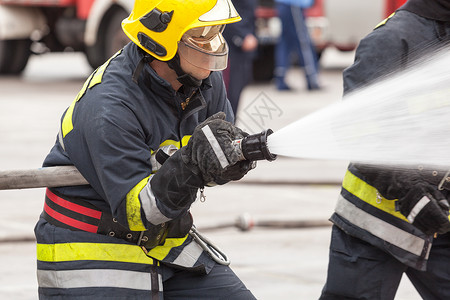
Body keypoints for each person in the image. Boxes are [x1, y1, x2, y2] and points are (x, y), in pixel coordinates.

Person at [34, 0, 258, 299]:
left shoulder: (203, 81)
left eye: (217, 30)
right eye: (202, 34)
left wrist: (226, 160)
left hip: (163, 239)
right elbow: (139, 211)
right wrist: (192, 164)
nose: (215, 45)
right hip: (90, 247)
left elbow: (205, 168)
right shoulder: (108, 107)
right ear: (162, 41)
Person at [320, 0, 450, 299]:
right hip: (376, 224)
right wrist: (408, 190)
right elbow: (355, 130)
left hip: (440, 218)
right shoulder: (392, 39)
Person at [274, 0, 320, 91]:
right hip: (294, 4)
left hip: (286, 4)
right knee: (303, 41)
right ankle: (311, 79)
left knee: (285, 43)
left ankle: (280, 79)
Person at [222, 0, 258, 116]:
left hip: (244, 43)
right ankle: (224, 126)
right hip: (232, 44)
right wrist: (242, 36)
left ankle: (230, 126)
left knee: (239, 86)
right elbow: (226, 10)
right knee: (229, 91)